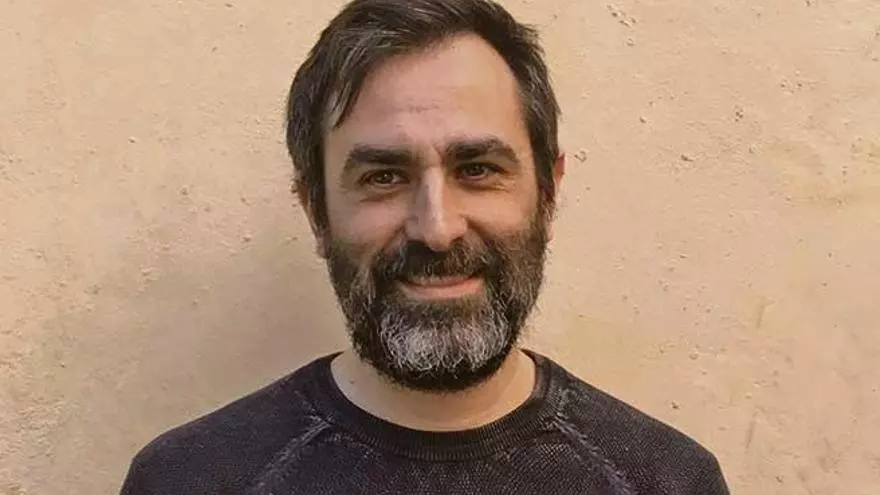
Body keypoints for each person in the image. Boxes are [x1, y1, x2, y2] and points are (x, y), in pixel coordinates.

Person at [120, 0, 730, 493]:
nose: (436, 228)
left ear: (548, 194)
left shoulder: (668, 481)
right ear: (315, 212)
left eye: (478, 169)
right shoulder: (189, 480)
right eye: (384, 176)